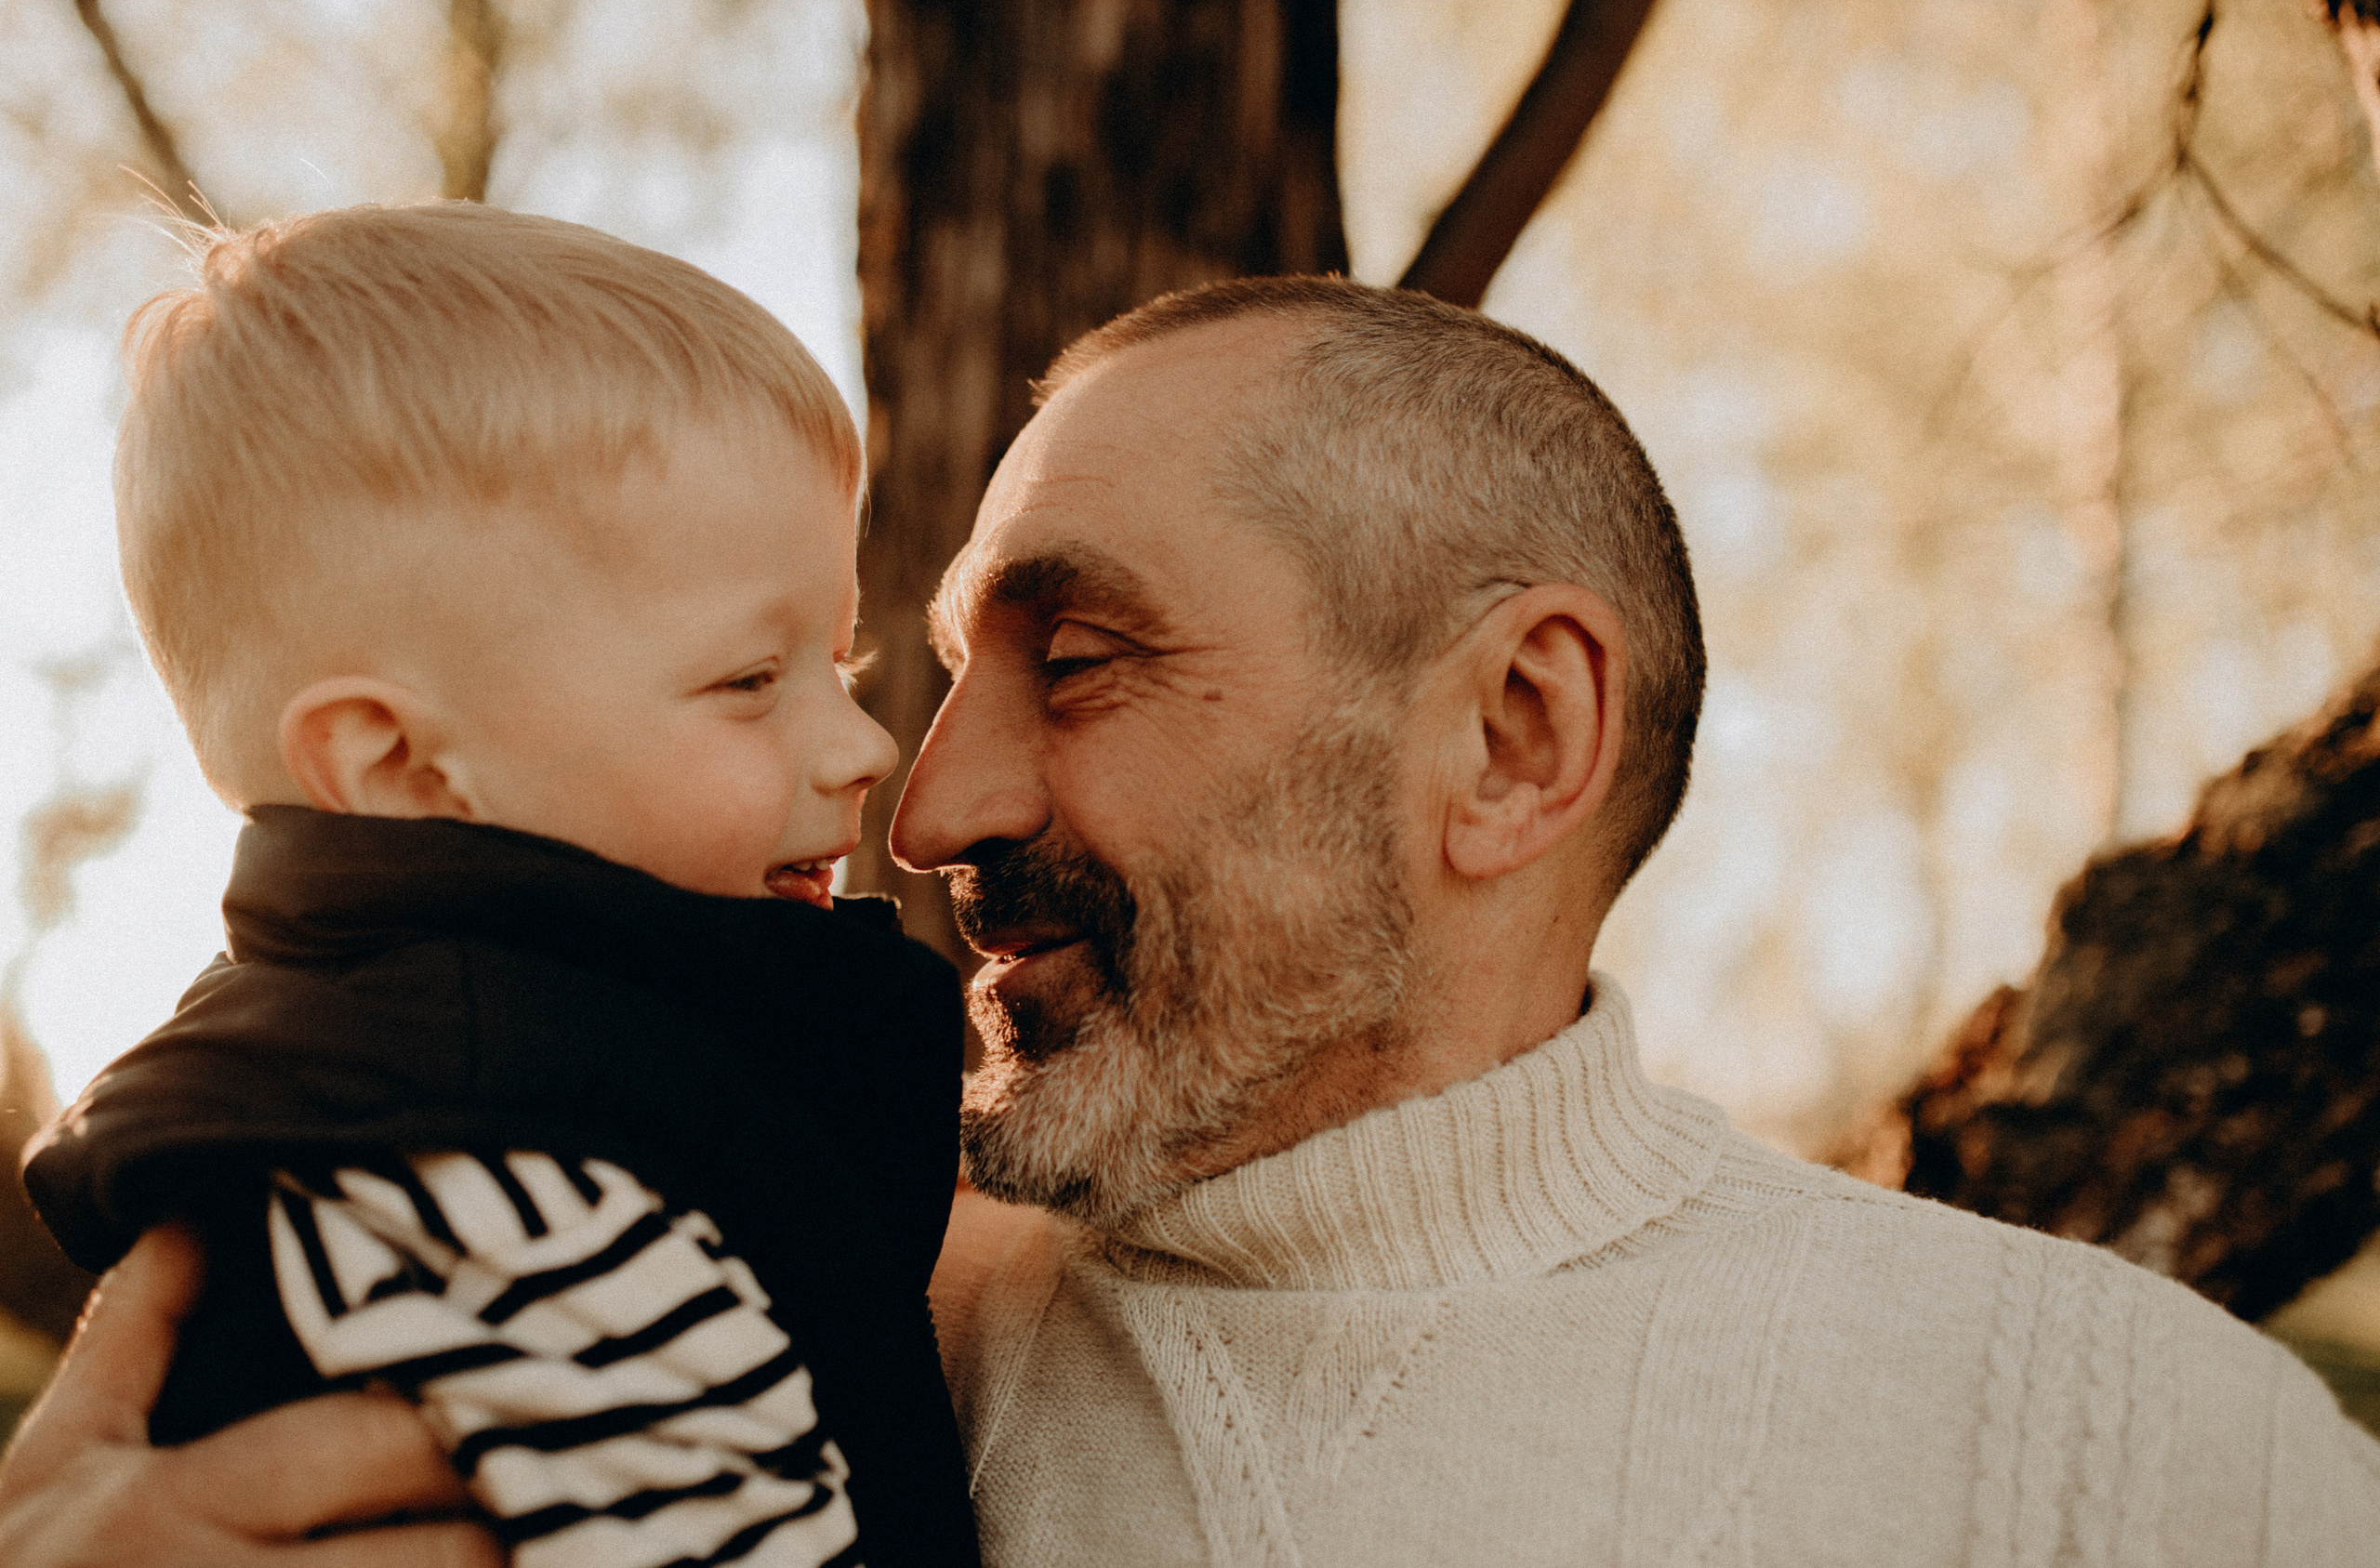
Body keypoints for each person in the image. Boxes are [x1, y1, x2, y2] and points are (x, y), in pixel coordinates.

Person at [8, 276, 2380, 1565]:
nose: (922, 798)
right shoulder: (745, 1275)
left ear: (1512, 738)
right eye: (908, 672)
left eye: (1087, 653)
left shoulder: (2141, 1459)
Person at [8, 204, 978, 1568]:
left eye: (842, 664)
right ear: (400, 765)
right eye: (750, 682)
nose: (866, 747)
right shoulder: (503, 1189)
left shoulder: (559, 1079)